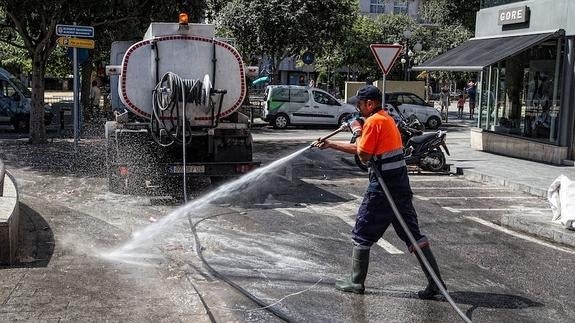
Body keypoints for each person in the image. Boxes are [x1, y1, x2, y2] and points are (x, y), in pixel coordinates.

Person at [312, 85, 446, 298]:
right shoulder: (385, 119)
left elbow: (364, 155)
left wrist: (336, 142)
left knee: (362, 231)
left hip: (383, 188)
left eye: (360, 104)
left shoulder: (374, 122)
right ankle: (435, 283)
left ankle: (356, 282)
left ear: (370, 104)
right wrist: (356, 130)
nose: (357, 107)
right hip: (399, 185)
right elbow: (372, 145)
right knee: (412, 234)